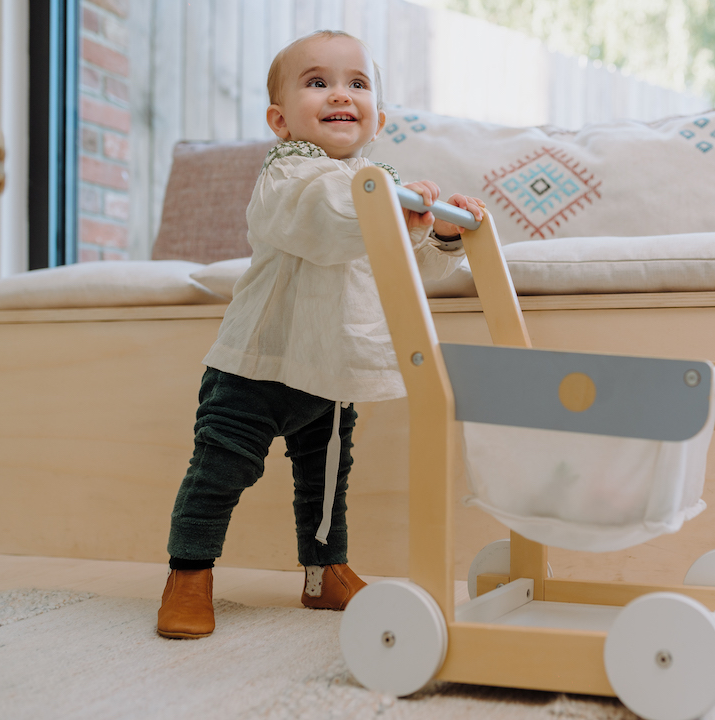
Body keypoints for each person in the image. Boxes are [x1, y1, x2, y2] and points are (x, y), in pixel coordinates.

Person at [157, 29, 485, 639]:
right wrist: (386, 206)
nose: (340, 94)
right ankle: (189, 573)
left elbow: (409, 266)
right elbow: (325, 224)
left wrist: (440, 235)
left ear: (377, 116)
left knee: (328, 475)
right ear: (280, 120)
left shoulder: (374, 181)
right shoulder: (288, 177)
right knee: (221, 470)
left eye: (356, 83)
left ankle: (324, 571)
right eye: (318, 82)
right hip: (259, 362)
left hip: (332, 364)